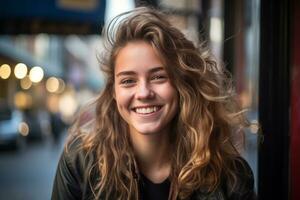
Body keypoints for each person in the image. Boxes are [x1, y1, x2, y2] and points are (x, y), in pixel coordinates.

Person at [51, 7, 256, 200]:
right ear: (114, 92)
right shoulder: (78, 163)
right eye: (128, 81)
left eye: (158, 77)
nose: (143, 93)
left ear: (180, 84)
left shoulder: (231, 176)